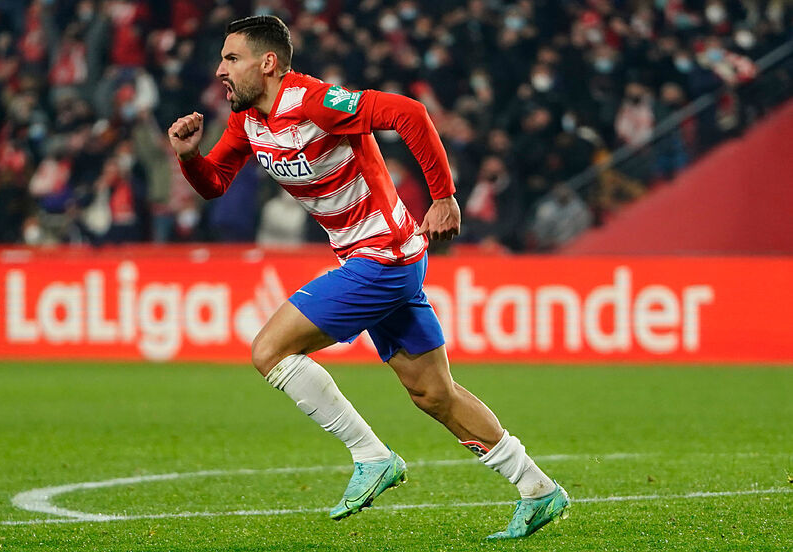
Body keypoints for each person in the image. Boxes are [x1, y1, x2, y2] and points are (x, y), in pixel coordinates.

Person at [168, 15, 568, 540]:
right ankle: (537, 489)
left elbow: (410, 113)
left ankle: (370, 456)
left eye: (231, 58)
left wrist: (444, 197)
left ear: (267, 63)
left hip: (384, 257)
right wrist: (191, 157)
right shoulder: (250, 121)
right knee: (433, 394)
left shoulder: (314, 102)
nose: (220, 69)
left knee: (269, 350)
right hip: (369, 258)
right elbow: (216, 183)